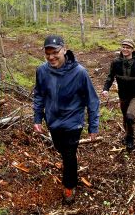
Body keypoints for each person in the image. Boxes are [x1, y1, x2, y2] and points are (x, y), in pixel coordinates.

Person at [33, 35, 100, 205]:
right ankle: (68, 165)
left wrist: (93, 126)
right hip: (53, 120)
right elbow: (39, 95)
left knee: (69, 153)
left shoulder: (79, 73)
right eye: (47, 53)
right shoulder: (42, 70)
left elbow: (92, 100)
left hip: (73, 121)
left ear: (64, 49)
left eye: (55, 52)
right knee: (60, 148)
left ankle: (69, 185)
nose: (51, 57)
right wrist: (38, 118)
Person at [102, 38, 135, 151]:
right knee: (125, 117)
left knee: (130, 116)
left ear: (132, 49)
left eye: (128, 47)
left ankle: (130, 139)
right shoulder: (116, 62)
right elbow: (110, 77)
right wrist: (106, 89)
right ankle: (127, 133)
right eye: (123, 47)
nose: (125, 49)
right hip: (123, 95)